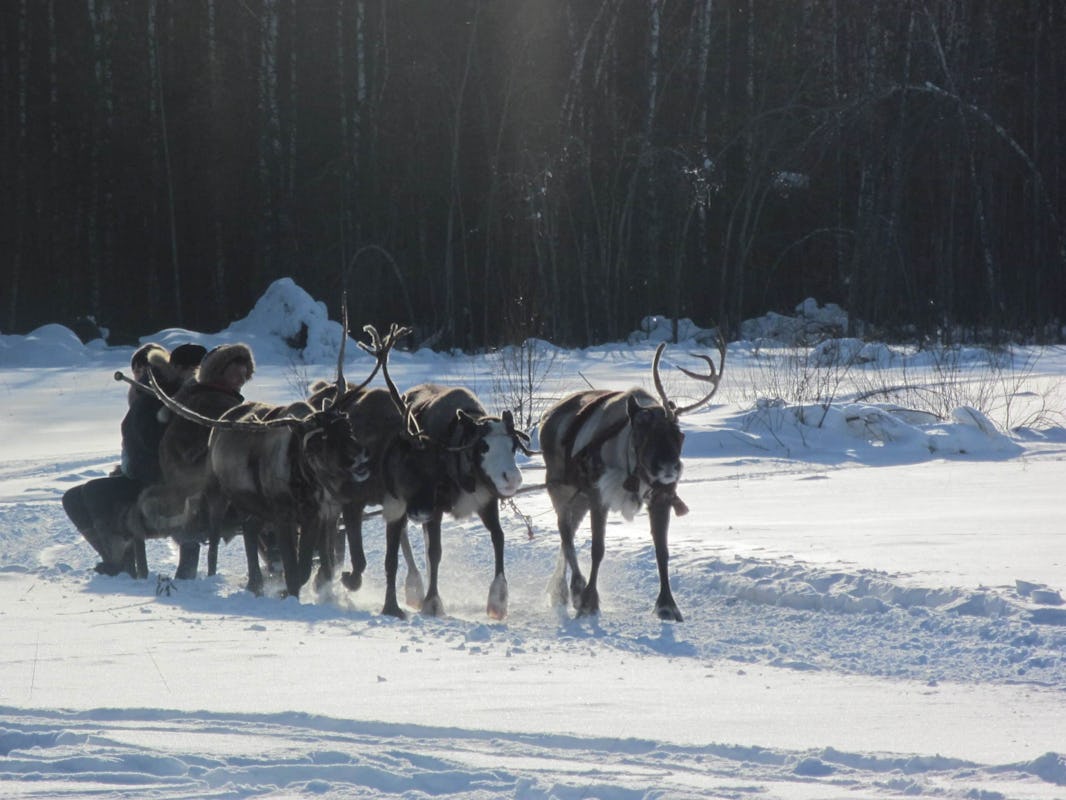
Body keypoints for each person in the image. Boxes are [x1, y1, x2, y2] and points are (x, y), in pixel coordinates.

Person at [62, 342, 207, 577]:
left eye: (145, 369)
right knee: (74, 498)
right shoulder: (147, 398)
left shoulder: (170, 398)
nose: (140, 375)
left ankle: (119, 561)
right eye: (137, 370)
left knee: (93, 492)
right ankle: (116, 558)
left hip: (166, 480)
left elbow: (159, 441)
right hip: (143, 475)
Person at [135, 343, 255, 579]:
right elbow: (195, 447)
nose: (240, 379)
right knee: (264, 502)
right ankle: (276, 561)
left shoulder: (217, 397)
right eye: (235, 373)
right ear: (220, 371)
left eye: (244, 374)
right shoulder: (209, 401)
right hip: (195, 481)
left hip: (205, 478)